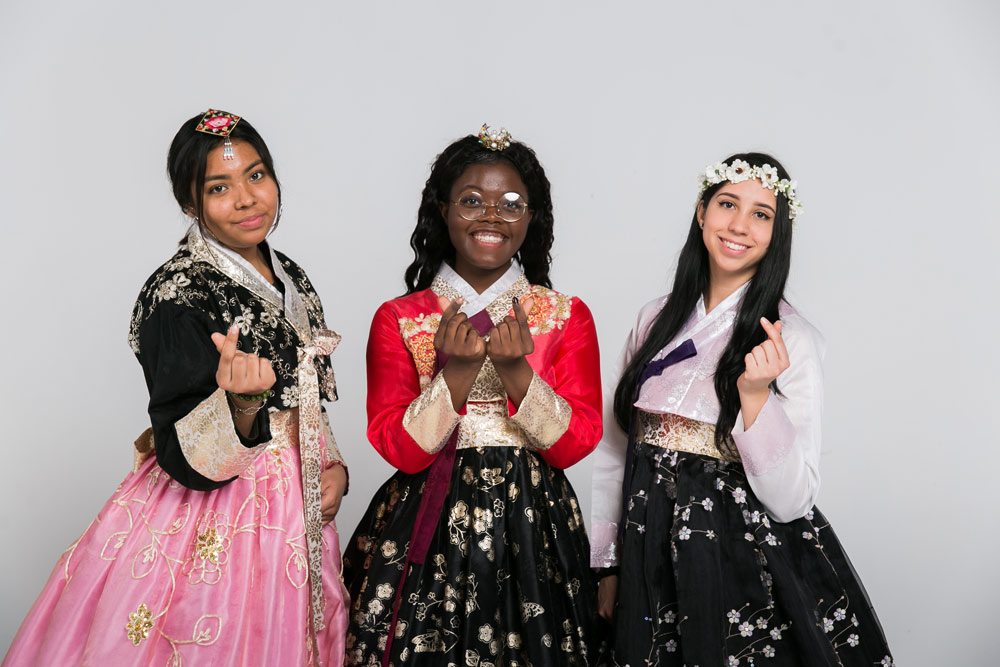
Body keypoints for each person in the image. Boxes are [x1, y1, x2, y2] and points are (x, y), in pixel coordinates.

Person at [3, 109, 349, 667]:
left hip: (298, 500)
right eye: (219, 187)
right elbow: (182, 452)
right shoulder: (177, 293)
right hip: (221, 512)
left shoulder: (289, 274)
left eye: (257, 176)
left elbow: (303, 394)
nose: (246, 199)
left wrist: (333, 466)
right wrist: (240, 404)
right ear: (189, 202)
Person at [590, 154, 893, 666]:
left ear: (779, 233)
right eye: (727, 204)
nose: (738, 225)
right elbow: (617, 449)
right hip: (647, 548)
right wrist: (607, 563)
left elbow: (792, 501)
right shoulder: (653, 320)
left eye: (761, 214)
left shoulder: (791, 337)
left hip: (740, 555)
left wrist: (754, 398)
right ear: (702, 212)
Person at [343, 125, 603, 666]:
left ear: (532, 218)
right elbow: (401, 450)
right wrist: (457, 375)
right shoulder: (400, 317)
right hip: (427, 521)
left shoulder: (564, 314)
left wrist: (517, 373)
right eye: (471, 201)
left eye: (511, 203)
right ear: (442, 210)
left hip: (535, 525)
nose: (491, 216)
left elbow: (574, 444)